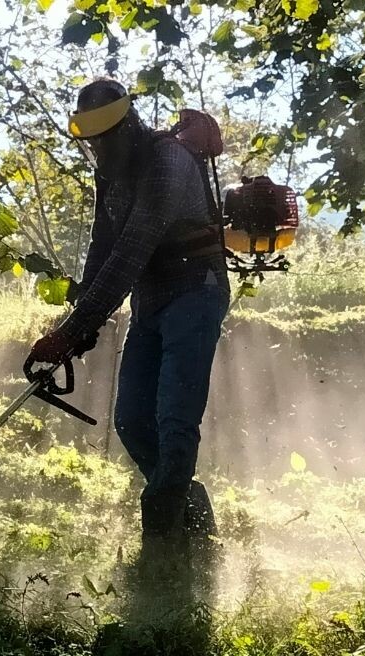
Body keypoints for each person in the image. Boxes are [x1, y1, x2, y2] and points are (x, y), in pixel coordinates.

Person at [27, 79, 230, 580]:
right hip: (150, 303)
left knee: (174, 421)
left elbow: (133, 250)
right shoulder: (110, 172)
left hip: (194, 294)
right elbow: (103, 249)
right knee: (132, 421)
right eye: (91, 140)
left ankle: (163, 548)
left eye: (105, 137)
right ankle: (192, 509)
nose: (98, 147)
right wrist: (77, 326)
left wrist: (74, 329)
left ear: (128, 124)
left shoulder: (168, 162)